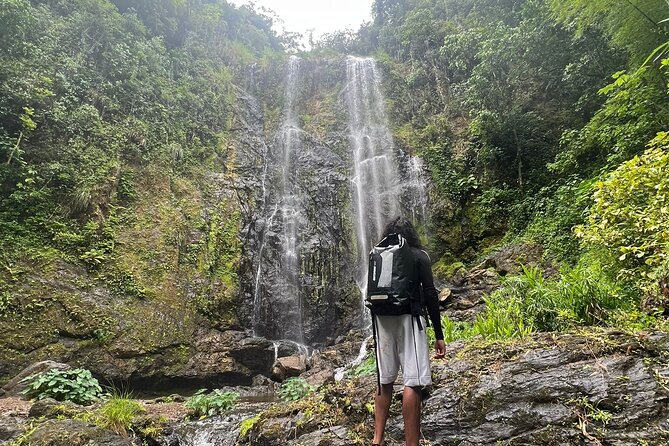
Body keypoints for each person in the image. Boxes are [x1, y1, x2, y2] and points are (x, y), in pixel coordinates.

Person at [371, 216, 445, 446]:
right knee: (412, 382)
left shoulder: (380, 255)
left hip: (382, 320)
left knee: (384, 382)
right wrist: (439, 334)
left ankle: (377, 440)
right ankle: (411, 443)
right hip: (409, 319)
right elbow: (431, 295)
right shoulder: (419, 255)